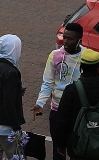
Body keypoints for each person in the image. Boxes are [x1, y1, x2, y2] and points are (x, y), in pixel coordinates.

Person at [52, 49, 99, 160]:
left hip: (78, 149)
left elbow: (62, 121)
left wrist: (61, 144)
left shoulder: (72, 90)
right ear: (98, 67)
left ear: (81, 67)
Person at [32, 21, 84, 160]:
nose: (65, 42)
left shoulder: (86, 57)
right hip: (57, 109)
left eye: (70, 39)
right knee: (58, 148)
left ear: (80, 40)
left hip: (77, 111)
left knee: (75, 148)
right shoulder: (55, 56)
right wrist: (40, 103)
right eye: (64, 37)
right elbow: (47, 82)